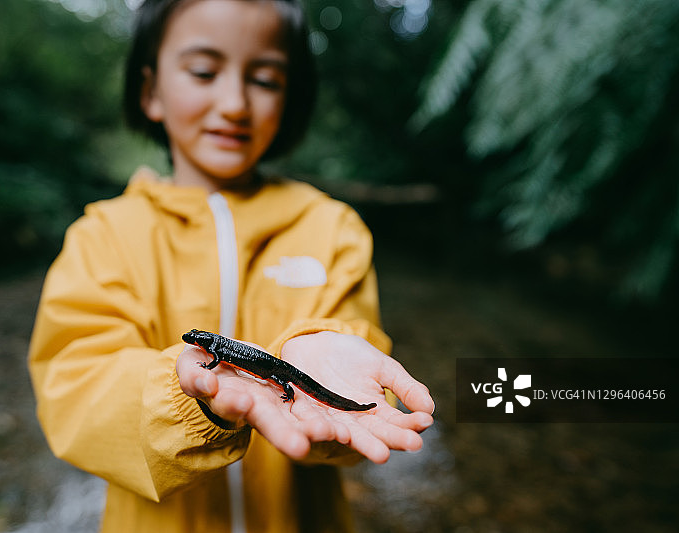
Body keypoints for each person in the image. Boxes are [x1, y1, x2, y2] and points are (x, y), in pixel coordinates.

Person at [28, 0, 435, 532]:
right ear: (150, 91)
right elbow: (73, 390)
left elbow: (343, 374)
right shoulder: (102, 237)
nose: (235, 102)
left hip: (300, 513)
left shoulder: (332, 228)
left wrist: (328, 388)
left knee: (300, 385)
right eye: (203, 71)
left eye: (264, 79)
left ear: (291, 98)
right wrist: (188, 399)